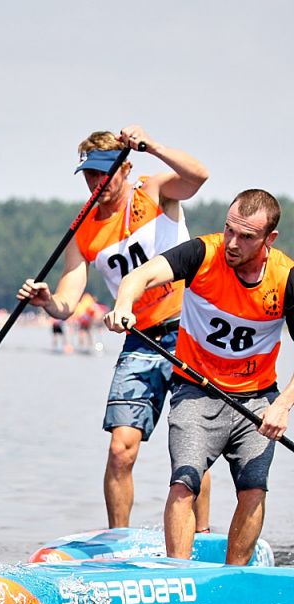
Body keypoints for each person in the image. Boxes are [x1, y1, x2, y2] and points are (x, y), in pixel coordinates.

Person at [18, 125, 211, 530]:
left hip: (190, 332)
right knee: (120, 450)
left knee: (191, 451)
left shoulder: (153, 189)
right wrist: (49, 301)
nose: (97, 183)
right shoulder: (83, 229)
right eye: (89, 175)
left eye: (105, 172)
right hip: (141, 339)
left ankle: (204, 538)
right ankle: (118, 544)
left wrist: (154, 146)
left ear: (124, 169)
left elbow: (198, 177)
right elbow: (69, 297)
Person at [104, 190, 293, 565]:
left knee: (253, 489)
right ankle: (178, 573)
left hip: (255, 400)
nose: (232, 244)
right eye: (229, 230)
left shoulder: (287, 279)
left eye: (246, 237)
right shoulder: (202, 254)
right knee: (184, 482)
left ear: (269, 239)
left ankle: (235, 578)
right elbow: (140, 276)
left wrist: (283, 406)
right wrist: (124, 305)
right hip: (196, 391)